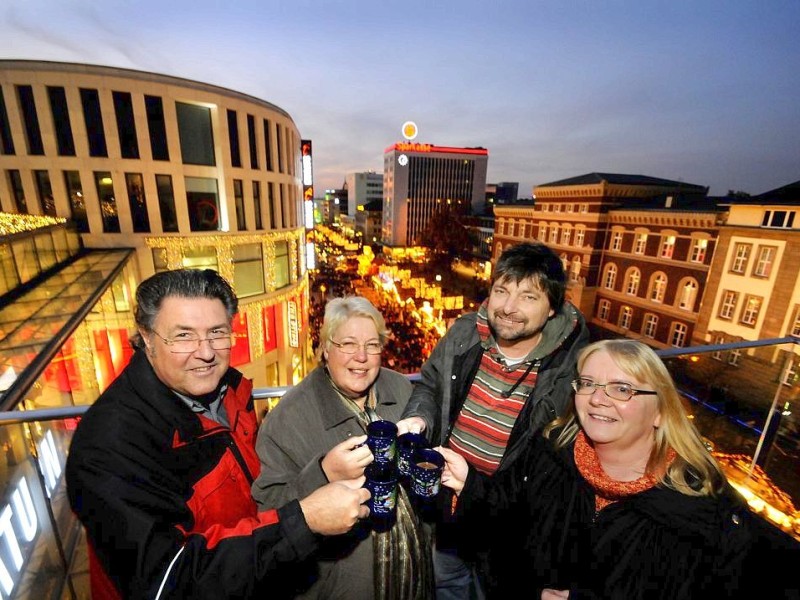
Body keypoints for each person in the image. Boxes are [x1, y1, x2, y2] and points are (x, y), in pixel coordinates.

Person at [66, 269, 371, 600]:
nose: (206, 352)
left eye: (217, 333)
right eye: (183, 336)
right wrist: (303, 521)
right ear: (147, 338)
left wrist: (320, 475)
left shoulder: (232, 392)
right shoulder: (109, 443)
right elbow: (168, 581)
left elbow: (253, 499)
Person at [438, 339, 800, 599]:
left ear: (660, 411)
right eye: (589, 384)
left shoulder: (702, 512)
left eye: (622, 389)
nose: (598, 398)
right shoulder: (551, 454)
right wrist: (468, 483)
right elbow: (506, 515)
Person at [396, 242, 589, 599]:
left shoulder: (571, 365)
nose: (509, 308)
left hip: (509, 524)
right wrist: (418, 419)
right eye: (501, 291)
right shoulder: (465, 333)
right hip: (448, 508)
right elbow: (430, 384)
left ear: (552, 307)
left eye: (528, 297)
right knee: (447, 584)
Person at [252, 296, 434, 599]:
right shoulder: (287, 418)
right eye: (347, 344)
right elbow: (269, 515)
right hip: (344, 588)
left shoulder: (401, 390)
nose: (361, 356)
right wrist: (323, 474)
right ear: (325, 348)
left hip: (414, 578)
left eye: (372, 345)